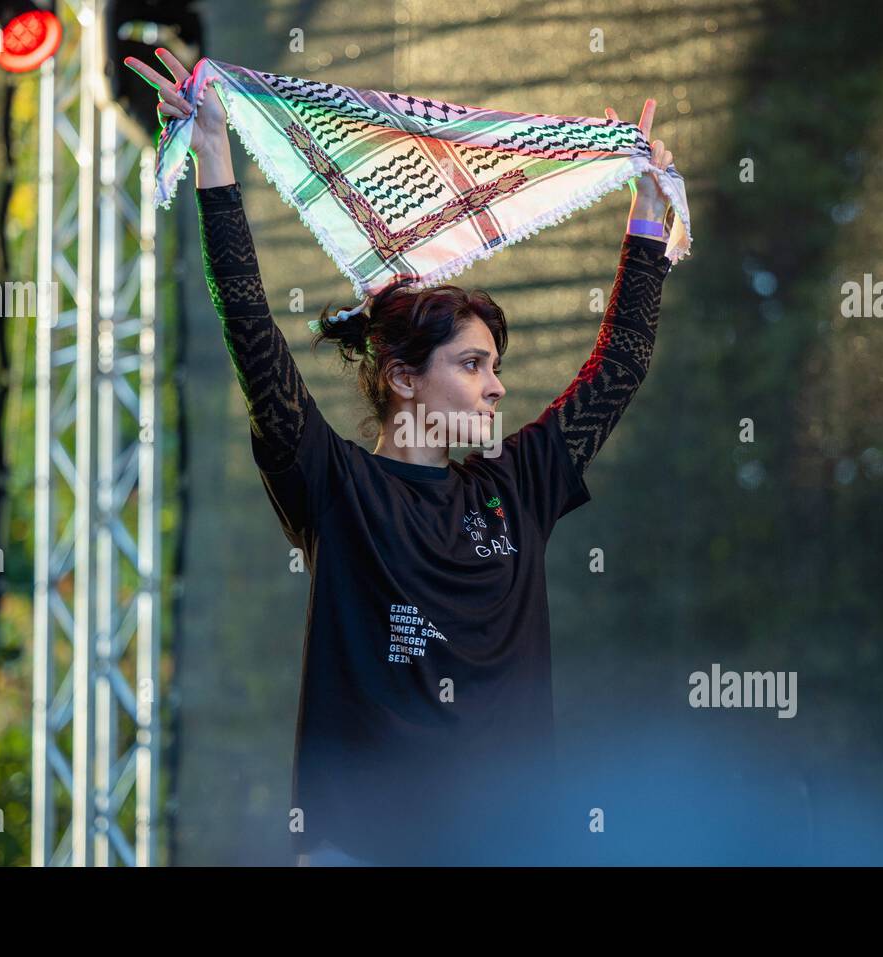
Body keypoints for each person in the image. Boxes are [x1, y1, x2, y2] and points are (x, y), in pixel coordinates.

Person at [128, 50, 676, 866]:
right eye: (473, 364)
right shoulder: (334, 483)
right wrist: (214, 151)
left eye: (497, 365)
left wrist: (648, 212)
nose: (496, 388)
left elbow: (620, 363)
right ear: (402, 379)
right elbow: (251, 325)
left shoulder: (517, 483)